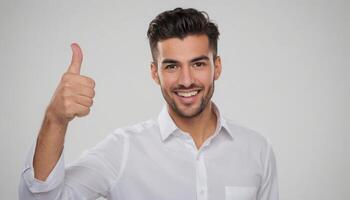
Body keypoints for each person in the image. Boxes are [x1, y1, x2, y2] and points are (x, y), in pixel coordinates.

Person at [19, 7, 278, 200]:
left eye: (198, 64)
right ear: (155, 73)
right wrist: (55, 118)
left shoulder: (257, 150)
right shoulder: (123, 150)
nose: (186, 80)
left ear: (216, 67)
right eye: (172, 66)